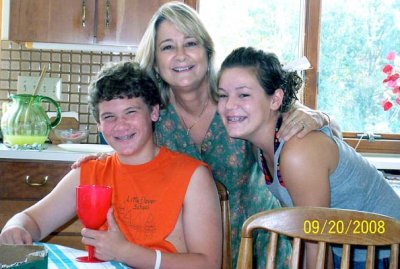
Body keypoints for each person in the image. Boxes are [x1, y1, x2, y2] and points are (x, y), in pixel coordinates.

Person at [73, 2, 339, 268]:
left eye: (190, 43)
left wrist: (319, 117)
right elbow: (132, 148)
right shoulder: (153, 113)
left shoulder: (235, 100)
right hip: (194, 256)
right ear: (155, 61)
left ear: (207, 52)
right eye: (167, 47)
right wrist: (108, 156)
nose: (180, 55)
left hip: (264, 248)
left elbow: (306, 121)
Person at [0, 61, 222, 269]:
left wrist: (125, 252)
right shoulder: (89, 171)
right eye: (109, 117)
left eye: (131, 112)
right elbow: (32, 220)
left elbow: (208, 264)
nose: (120, 125)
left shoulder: (193, 176)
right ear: (98, 124)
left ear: (153, 112)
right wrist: (16, 228)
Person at [217, 46, 400, 269]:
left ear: (275, 99)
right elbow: (306, 233)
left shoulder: (297, 151)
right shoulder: (263, 145)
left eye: (243, 94)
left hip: (383, 249)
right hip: (350, 248)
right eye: (223, 95)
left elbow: (317, 243)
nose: (228, 105)